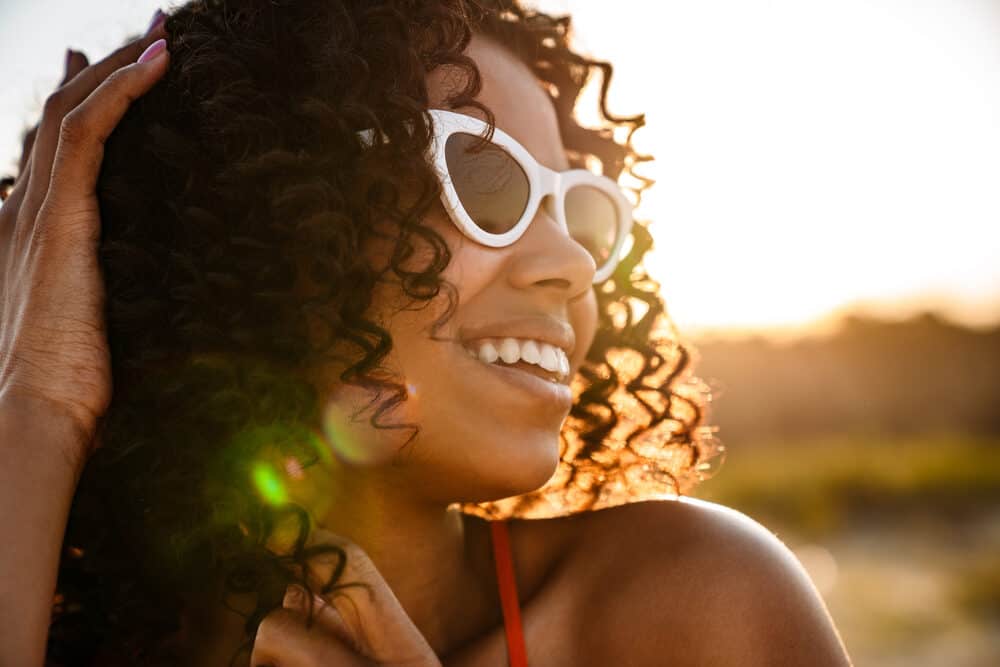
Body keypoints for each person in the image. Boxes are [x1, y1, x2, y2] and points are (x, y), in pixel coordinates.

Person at [0, 1, 853, 665]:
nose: (570, 261)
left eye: (581, 209)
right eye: (484, 179)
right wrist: (40, 398)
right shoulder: (58, 627)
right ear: (271, 226)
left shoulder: (691, 607)